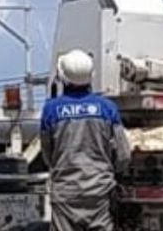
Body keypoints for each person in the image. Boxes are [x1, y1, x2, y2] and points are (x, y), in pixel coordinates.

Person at [41, 50, 131, 231]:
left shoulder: (51, 110)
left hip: (65, 193)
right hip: (99, 193)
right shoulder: (107, 108)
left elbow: (47, 155)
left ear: (62, 77)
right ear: (91, 76)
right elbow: (123, 155)